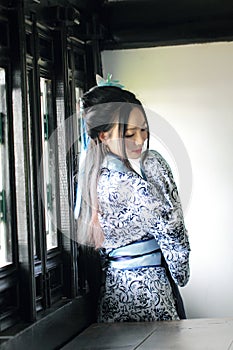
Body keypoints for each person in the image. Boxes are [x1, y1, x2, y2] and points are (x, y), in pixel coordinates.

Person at [75, 74, 191, 322]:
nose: (140, 140)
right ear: (103, 136)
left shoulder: (96, 176)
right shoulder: (127, 183)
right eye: (129, 133)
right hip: (147, 290)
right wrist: (181, 272)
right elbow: (172, 233)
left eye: (143, 130)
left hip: (116, 287)